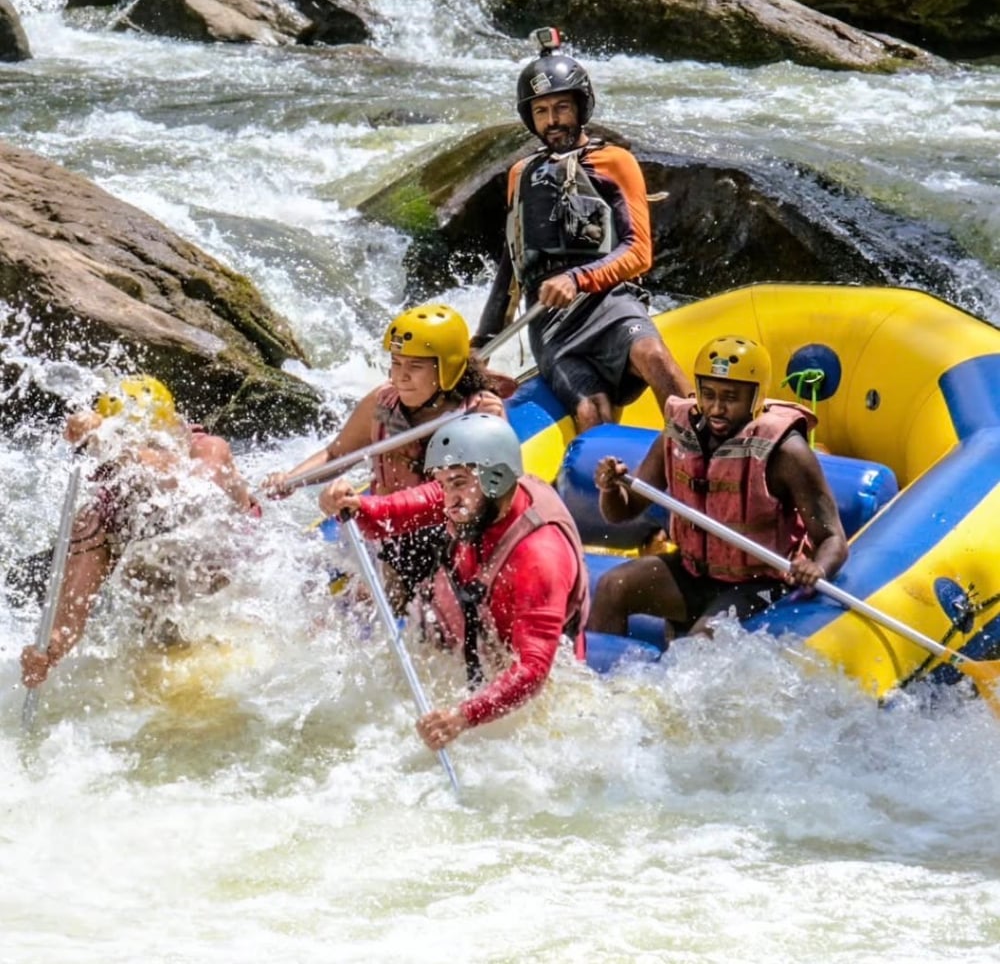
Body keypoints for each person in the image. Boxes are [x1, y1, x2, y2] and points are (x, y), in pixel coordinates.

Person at [318, 413, 590, 751]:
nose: (448, 501)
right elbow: (391, 515)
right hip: (474, 643)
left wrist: (463, 717)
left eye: (457, 483)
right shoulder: (476, 495)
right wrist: (355, 505)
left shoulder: (540, 556)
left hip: (525, 682)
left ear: (497, 479)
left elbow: (532, 670)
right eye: (444, 484)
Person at [472, 26, 692, 431]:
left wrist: (578, 278)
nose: (552, 121)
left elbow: (639, 251)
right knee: (591, 411)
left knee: (653, 357)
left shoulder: (614, 161)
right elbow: (511, 268)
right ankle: (609, 488)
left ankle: (701, 457)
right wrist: (482, 343)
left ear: (580, 107)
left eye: (561, 108)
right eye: (541, 112)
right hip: (552, 325)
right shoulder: (521, 174)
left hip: (608, 303)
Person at [587, 335, 849, 644]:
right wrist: (610, 488)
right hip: (693, 573)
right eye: (708, 394)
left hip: (759, 583)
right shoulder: (679, 434)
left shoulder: (786, 452)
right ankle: (604, 680)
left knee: (702, 641)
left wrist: (816, 568)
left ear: (755, 397)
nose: (716, 408)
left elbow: (833, 539)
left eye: (730, 397)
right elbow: (623, 511)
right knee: (611, 586)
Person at [20, 375, 259, 688]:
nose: (146, 454)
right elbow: (68, 621)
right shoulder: (98, 516)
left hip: (242, 605)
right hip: (162, 623)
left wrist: (120, 444)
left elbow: (200, 487)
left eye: (155, 444)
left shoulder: (209, 450)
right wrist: (46, 653)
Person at [264, 303, 509, 608]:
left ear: (447, 368)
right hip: (384, 529)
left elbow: (489, 492)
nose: (401, 376)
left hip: (438, 538)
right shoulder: (383, 402)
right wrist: (292, 479)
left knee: (380, 603)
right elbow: (336, 453)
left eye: (415, 367)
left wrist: (497, 425)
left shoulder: (476, 413)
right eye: (396, 363)